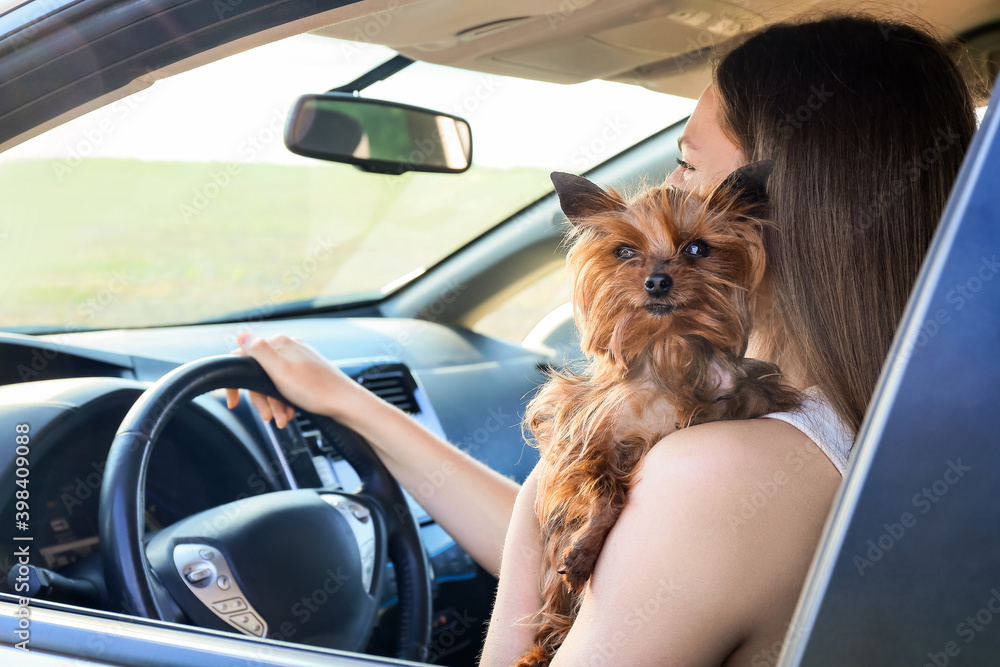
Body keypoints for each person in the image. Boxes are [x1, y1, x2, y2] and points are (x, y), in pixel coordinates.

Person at [227, 13, 978, 665]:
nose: (668, 192)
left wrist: (570, 457)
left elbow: (568, 566)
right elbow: (627, 568)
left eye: (686, 162)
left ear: (768, 205)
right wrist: (350, 405)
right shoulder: (895, 429)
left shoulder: (721, 473)